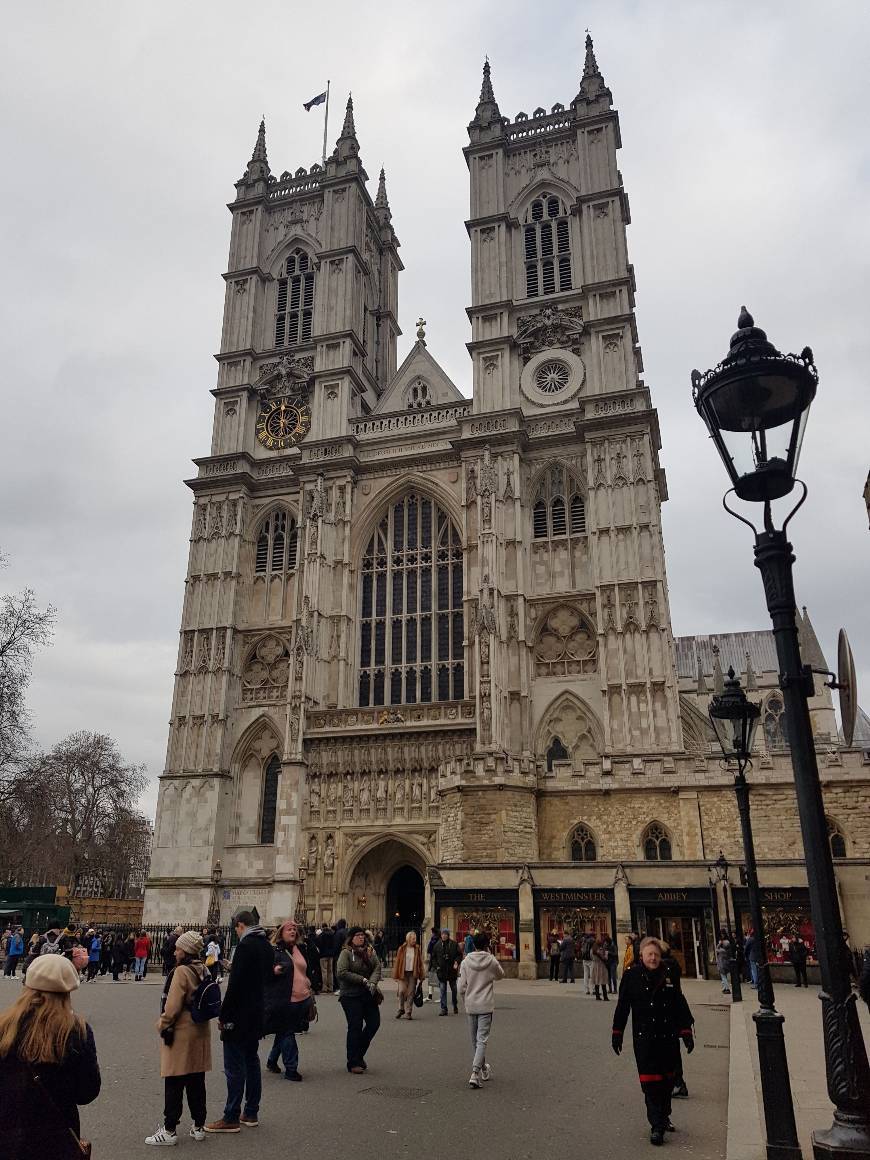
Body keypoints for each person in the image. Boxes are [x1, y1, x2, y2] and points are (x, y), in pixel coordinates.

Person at [0, 952, 101, 1158]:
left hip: (8, 1134)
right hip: (56, 1136)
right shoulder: (76, 1031)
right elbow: (86, 1092)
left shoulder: (4, 1027)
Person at [612, 937, 695, 1146]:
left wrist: (686, 1031)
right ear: (641, 956)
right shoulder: (631, 976)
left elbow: (679, 1002)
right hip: (645, 1039)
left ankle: (664, 1115)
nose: (653, 958)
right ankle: (656, 1125)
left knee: (667, 1082)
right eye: (649, 954)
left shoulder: (668, 974)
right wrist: (617, 1032)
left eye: (656, 955)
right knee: (650, 1085)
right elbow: (623, 1006)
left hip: (667, 1038)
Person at [205, 909, 274, 1134]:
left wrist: (224, 1015)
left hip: (240, 1015)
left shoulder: (245, 946)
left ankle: (231, 1116)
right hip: (257, 1013)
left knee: (234, 1066)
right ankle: (251, 1112)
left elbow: (236, 986)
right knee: (252, 1061)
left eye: (236, 928)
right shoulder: (266, 945)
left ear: (240, 925)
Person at [144, 930, 211, 1146]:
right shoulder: (204, 969)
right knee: (196, 1081)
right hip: (200, 1031)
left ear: (186, 951)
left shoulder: (181, 971)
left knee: (174, 1080)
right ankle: (199, 1126)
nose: (175, 951)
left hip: (181, 1032)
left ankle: (170, 1130)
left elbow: (172, 1006)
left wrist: (161, 1024)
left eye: (179, 948)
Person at [264, 919, 315, 1081]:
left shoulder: (299, 949)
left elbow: (306, 970)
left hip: (303, 997)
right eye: (289, 930)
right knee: (287, 1032)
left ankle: (272, 1061)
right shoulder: (274, 951)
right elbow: (263, 974)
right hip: (285, 999)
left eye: (294, 929)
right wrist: (274, 971)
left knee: (283, 1031)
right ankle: (291, 1069)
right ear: (281, 933)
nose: (292, 931)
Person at [458, 930, 504, 1089]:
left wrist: (466, 1001)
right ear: (487, 945)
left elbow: (461, 987)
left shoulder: (465, 962)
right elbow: (500, 975)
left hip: (471, 1005)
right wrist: (491, 956)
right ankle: (475, 1072)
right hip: (485, 1004)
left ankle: (482, 1069)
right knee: (481, 1040)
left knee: (475, 1041)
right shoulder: (491, 960)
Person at [336, 926, 382, 1074]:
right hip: (350, 995)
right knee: (355, 1026)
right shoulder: (346, 953)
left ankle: (358, 1054)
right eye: (357, 935)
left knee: (374, 1023)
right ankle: (353, 1061)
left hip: (367, 993)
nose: (361, 937)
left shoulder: (369, 951)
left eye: (362, 935)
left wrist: (373, 983)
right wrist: (362, 979)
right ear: (351, 938)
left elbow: (377, 967)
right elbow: (342, 972)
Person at [392, 931, 425, 1020]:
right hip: (403, 973)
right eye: (413, 939)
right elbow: (397, 962)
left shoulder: (417, 949)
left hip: (412, 974)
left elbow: (420, 963)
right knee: (401, 991)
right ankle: (401, 1009)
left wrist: (422, 975)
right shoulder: (402, 949)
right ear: (408, 939)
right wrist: (395, 975)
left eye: (415, 939)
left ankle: (408, 1012)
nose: (415, 940)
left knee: (411, 993)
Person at [431, 927, 462, 1015]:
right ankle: (444, 1008)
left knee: (454, 989)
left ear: (448, 935)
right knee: (442, 989)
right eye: (442, 934)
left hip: (452, 970)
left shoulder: (454, 944)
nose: (444, 936)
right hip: (441, 971)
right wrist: (436, 966)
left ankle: (455, 1004)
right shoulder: (437, 945)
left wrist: (456, 962)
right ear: (441, 935)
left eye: (445, 934)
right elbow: (433, 958)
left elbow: (459, 955)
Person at [591, 934, 610, 1001]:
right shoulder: (599, 948)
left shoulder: (594, 948)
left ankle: (598, 996)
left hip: (597, 965)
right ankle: (604, 996)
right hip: (600, 965)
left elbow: (592, 956)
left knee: (598, 980)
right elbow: (604, 957)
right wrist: (604, 956)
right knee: (602, 981)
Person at [316, 925, 335, 993]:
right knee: (330, 971)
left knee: (324, 971)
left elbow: (319, 944)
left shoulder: (322, 935)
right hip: (331, 954)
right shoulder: (332, 935)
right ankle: (331, 987)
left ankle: (325, 987)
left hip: (323, 955)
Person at [332, 919, 348, 993]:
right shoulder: (347, 932)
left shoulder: (339, 933)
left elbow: (336, 945)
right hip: (347, 953)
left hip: (339, 954)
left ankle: (341, 988)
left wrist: (334, 953)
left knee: (338, 971)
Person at [425, 926, 440, 1001]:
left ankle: (431, 995)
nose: (430, 933)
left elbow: (430, 950)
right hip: (434, 961)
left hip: (435, 961)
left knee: (435, 978)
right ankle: (430, 995)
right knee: (432, 977)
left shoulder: (434, 940)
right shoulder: (436, 939)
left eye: (431, 932)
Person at [581, 928, 596, 994]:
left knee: (585, 974)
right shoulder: (592, 940)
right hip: (591, 959)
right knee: (592, 975)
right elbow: (595, 949)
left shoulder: (584, 939)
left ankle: (586, 989)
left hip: (584, 958)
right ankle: (593, 989)